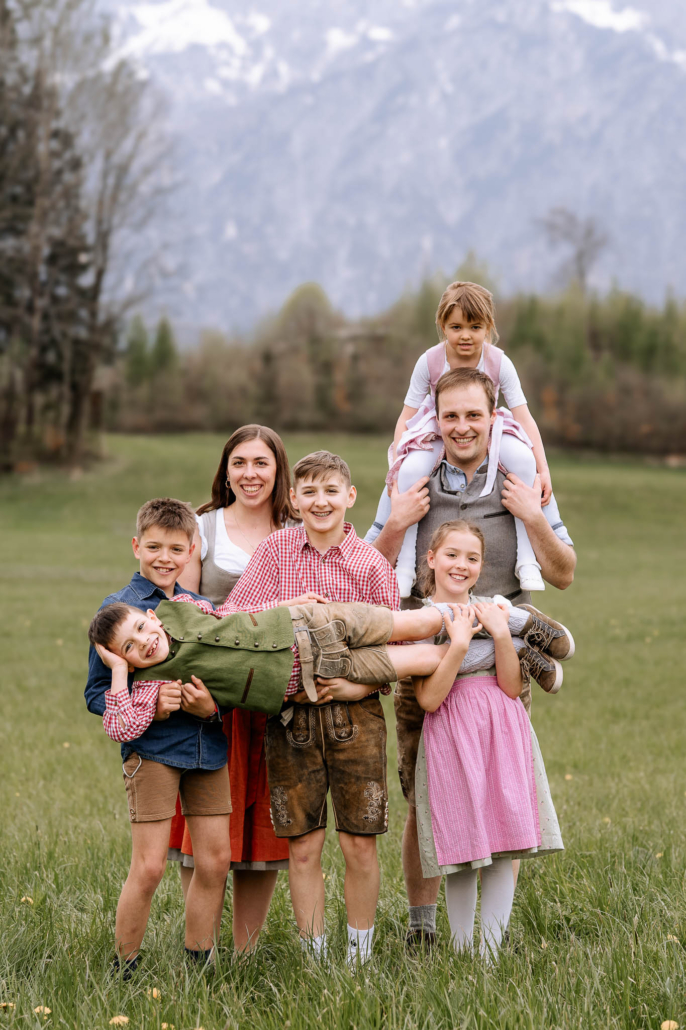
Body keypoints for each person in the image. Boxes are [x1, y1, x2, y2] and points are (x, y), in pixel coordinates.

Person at [371, 366, 576, 948]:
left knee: (501, 797)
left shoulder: (521, 476)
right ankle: (423, 928)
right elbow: (366, 570)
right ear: (435, 420)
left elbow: (564, 572)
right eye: (450, 416)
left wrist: (532, 514)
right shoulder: (412, 478)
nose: (462, 427)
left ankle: (488, 942)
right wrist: (397, 523)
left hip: (499, 666)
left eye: (473, 415)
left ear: (494, 419)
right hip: (428, 660)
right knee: (427, 798)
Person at [225, 450, 403, 969]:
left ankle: (359, 959)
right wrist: (285, 607)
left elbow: (395, 646)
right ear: (294, 499)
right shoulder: (275, 552)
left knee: (358, 845)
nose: (320, 502)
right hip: (291, 718)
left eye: (330, 491)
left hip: (358, 719)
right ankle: (315, 959)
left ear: (350, 497)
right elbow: (234, 618)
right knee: (303, 847)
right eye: (309, 492)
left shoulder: (370, 563)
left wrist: (353, 686)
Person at [83, 498, 230, 975]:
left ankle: (199, 960)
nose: (164, 558)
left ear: (192, 551)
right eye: (153, 547)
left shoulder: (200, 610)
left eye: (175, 548)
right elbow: (95, 693)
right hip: (153, 753)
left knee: (215, 861)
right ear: (136, 546)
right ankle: (125, 965)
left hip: (208, 749)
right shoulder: (117, 614)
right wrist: (151, 706)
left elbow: (226, 680)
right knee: (149, 866)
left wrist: (211, 708)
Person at [411, 520, 563, 961]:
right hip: (453, 733)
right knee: (463, 844)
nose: (461, 565)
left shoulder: (495, 611)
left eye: (472, 558)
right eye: (452, 555)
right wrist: (458, 645)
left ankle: (490, 954)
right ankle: (462, 952)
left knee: (501, 841)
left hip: (502, 728)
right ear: (431, 559)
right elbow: (429, 699)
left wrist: (499, 633)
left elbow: (511, 686)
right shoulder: (423, 618)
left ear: (482, 565)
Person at [171, 425, 298, 953]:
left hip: (275, 697)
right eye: (239, 463)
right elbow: (184, 617)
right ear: (225, 471)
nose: (250, 474)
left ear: (278, 470)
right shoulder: (204, 527)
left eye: (261, 463)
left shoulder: (297, 529)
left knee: (261, 824)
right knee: (204, 825)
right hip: (214, 699)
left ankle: (245, 954)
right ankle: (200, 946)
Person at [366, 280, 567, 596]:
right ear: (442, 326)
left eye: (475, 327)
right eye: (456, 327)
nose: (465, 336)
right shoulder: (430, 361)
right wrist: (397, 468)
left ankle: (527, 560)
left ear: (489, 327)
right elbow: (406, 417)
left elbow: (524, 416)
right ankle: (404, 566)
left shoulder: (499, 362)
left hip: (495, 429)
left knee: (523, 460)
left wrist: (542, 470)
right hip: (433, 427)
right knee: (410, 472)